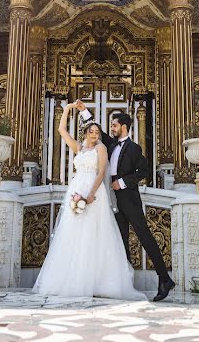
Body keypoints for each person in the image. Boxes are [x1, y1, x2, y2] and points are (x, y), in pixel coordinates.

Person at [32, 101, 146, 301]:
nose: (95, 134)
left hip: (94, 193)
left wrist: (91, 194)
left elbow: (102, 172)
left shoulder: (101, 148)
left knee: (95, 233)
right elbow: (61, 129)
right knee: (73, 233)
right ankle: (73, 279)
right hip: (76, 190)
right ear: (86, 132)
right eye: (91, 131)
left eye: (97, 132)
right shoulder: (78, 147)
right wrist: (68, 108)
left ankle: (96, 280)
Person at [75, 100, 176, 302]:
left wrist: (121, 182)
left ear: (123, 127)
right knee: (120, 242)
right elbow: (96, 129)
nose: (111, 128)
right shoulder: (110, 143)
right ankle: (125, 282)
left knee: (145, 237)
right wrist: (84, 110)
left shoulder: (134, 148)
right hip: (111, 200)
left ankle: (165, 278)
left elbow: (144, 171)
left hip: (128, 198)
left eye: (114, 125)